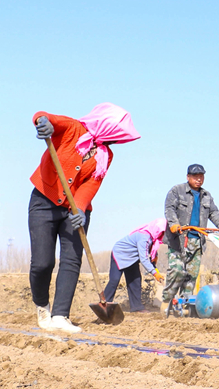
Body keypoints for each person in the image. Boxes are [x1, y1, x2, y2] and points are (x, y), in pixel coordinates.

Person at [28, 103, 139, 333]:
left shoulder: (106, 155)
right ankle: (42, 306)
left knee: (71, 261)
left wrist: (79, 208)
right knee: (42, 263)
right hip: (44, 201)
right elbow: (46, 116)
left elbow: (92, 183)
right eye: (117, 134)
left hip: (76, 210)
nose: (116, 140)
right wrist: (42, 122)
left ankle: (60, 316)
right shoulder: (73, 129)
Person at [162, 164, 219, 307]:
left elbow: (214, 212)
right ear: (188, 177)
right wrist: (173, 224)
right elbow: (169, 208)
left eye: (201, 177)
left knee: (191, 276)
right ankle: (167, 301)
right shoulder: (177, 191)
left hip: (198, 240)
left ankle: (184, 305)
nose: (199, 180)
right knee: (177, 270)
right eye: (195, 177)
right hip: (179, 240)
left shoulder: (206, 195)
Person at [102, 218, 167, 313]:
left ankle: (136, 307)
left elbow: (148, 253)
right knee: (114, 280)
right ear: (156, 229)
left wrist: (154, 258)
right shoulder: (144, 237)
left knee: (135, 280)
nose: (162, 235)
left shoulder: (151, 238)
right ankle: (104, 304)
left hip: (132, 257)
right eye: (161, 232)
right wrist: (155, 273)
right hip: (120, 254)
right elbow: (144, 259)